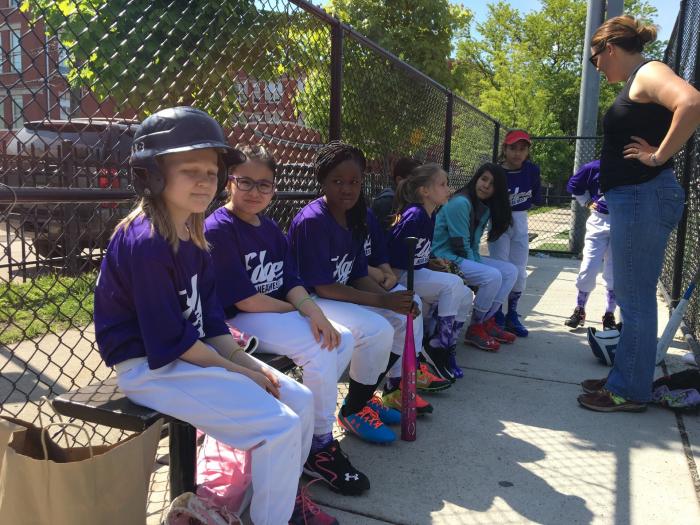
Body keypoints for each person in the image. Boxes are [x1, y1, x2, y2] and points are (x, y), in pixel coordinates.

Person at [93, 107, 337, 525]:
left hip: (189, 355)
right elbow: (174, 341)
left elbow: (211, 325)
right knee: (277, 427)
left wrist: (247, 365)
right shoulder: (147, 241)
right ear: (152, 175)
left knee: (298, 399)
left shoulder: (195, 235)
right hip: (149, 367)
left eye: (211, 171)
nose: (205, 181)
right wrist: (240, 372)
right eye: (190, 170)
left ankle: (276, 504)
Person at [204, 144, 369, 496]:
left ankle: (313, 434)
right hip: (238, 321)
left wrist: (314, 312)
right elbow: (246, 300)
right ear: (229, 182)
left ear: (274, 188)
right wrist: (298, 312)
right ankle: (320, 444)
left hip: (269, 313)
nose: (255, 192)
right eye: (245, 182)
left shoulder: (269, 228)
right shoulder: (219, 228)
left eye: (264, 184)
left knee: (341, 337)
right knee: (319, 345)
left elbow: (291, 281)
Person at [577, 15, 700, 412]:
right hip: (635, 197)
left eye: (595, 58)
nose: (596, 67)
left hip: (642, 195)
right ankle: (626, 376)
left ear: (609, 47)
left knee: (635, 298)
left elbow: (692, 102)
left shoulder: (648, 72)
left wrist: (658, 156)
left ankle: (629, 390)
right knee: (634, 296)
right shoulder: (638, 79)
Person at [288, 141, 423, 444]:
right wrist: (382, 300)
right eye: (337, 181)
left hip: (337, 293)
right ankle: (352, 411)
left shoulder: (356, 215)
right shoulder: (313, 220)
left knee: (401, 319)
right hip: (309, 300)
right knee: (376, 329)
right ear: (322, 181)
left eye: (354, 182)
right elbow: (323, 286)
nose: (347, 189)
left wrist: (393, 302)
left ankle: (364, 398)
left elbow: (359, 274)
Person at [387, 163, 473, 380]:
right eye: (442, 184)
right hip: (400, 276)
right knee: (453, 284)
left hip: (415, 272)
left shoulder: (430, 213)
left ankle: (447, 347)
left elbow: (417, 255)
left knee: (464, 294)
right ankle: (437, 347)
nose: (448, 189)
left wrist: (430, 262)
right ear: (425, 191)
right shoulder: (414, 215)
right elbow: (394, 255)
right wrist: (392, 288)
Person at [432, 163, 518, 354]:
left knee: (510, 271)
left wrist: (478, 267)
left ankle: (486, 322)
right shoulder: (461, 202)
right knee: (492, 276)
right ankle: (476, 327)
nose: (486, 185)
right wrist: (479, 275)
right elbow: (461, 245)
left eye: (492, 184)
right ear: (476, 179)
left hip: (460, 255)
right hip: (443, 256)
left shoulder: (483, 207)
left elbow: (474, 245)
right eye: (483, 179)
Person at [364, 206, 451, 394]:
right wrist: (382, 286)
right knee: (383, 327)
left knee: (412, 303)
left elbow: (379, 253)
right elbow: (353, 265)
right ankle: (386, 387)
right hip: (343, 290)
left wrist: (386, 272)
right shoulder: (413, 216)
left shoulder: (367, 214)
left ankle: (405, 376)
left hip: (371, 280)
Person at [488, 129, 541, 337]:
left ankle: (512, 313)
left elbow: (535, 197)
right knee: (501, 267)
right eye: (513, 148)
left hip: (520, 220)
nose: (517, 153)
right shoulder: (496, 171)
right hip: (499, 221)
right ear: (505, 149)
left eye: (522, 149)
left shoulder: (531, 170)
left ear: (527, 151)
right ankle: (496, 313)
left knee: (519, 268)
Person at [565, 159, 618, 331]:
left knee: (613, 272)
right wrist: (587, 201)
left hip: (622, 222)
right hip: (598, 221)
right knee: (588, 267)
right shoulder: (594, 167)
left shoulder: (632, 166)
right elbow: (574, 184)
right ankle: (580, 309)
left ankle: (609, 314)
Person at [371, 156, 421, 230]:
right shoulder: (387, 202)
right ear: (399, 180)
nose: (422, 185)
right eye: (416, 181)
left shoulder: (415, 202)